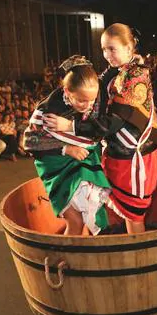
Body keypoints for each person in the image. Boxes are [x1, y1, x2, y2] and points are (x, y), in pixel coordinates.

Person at [44, 24, 157, 234]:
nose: (107, 55)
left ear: (129, 47)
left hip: (135, 158)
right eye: (104, 49)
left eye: (112, 49)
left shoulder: (135, 77)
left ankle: (139, 260)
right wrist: (76, 78)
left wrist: (71, 126)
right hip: (120, 153)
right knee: (127, 212)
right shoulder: (119, 69)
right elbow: (96, 86)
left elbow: (112, 122)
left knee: (134, 214)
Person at [23, 55, 111, 236]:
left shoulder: (97, 93)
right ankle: (69, 260)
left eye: (92, 101)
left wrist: (71, 127)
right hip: (57, 165)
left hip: (84, 159)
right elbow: (30, 141)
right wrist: (66, 148)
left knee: (89, 213)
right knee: (75, 220)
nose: (88, 106)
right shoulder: (49, 108)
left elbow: (100, 129)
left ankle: (89, 255)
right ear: (67, 92)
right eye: (81, 101)